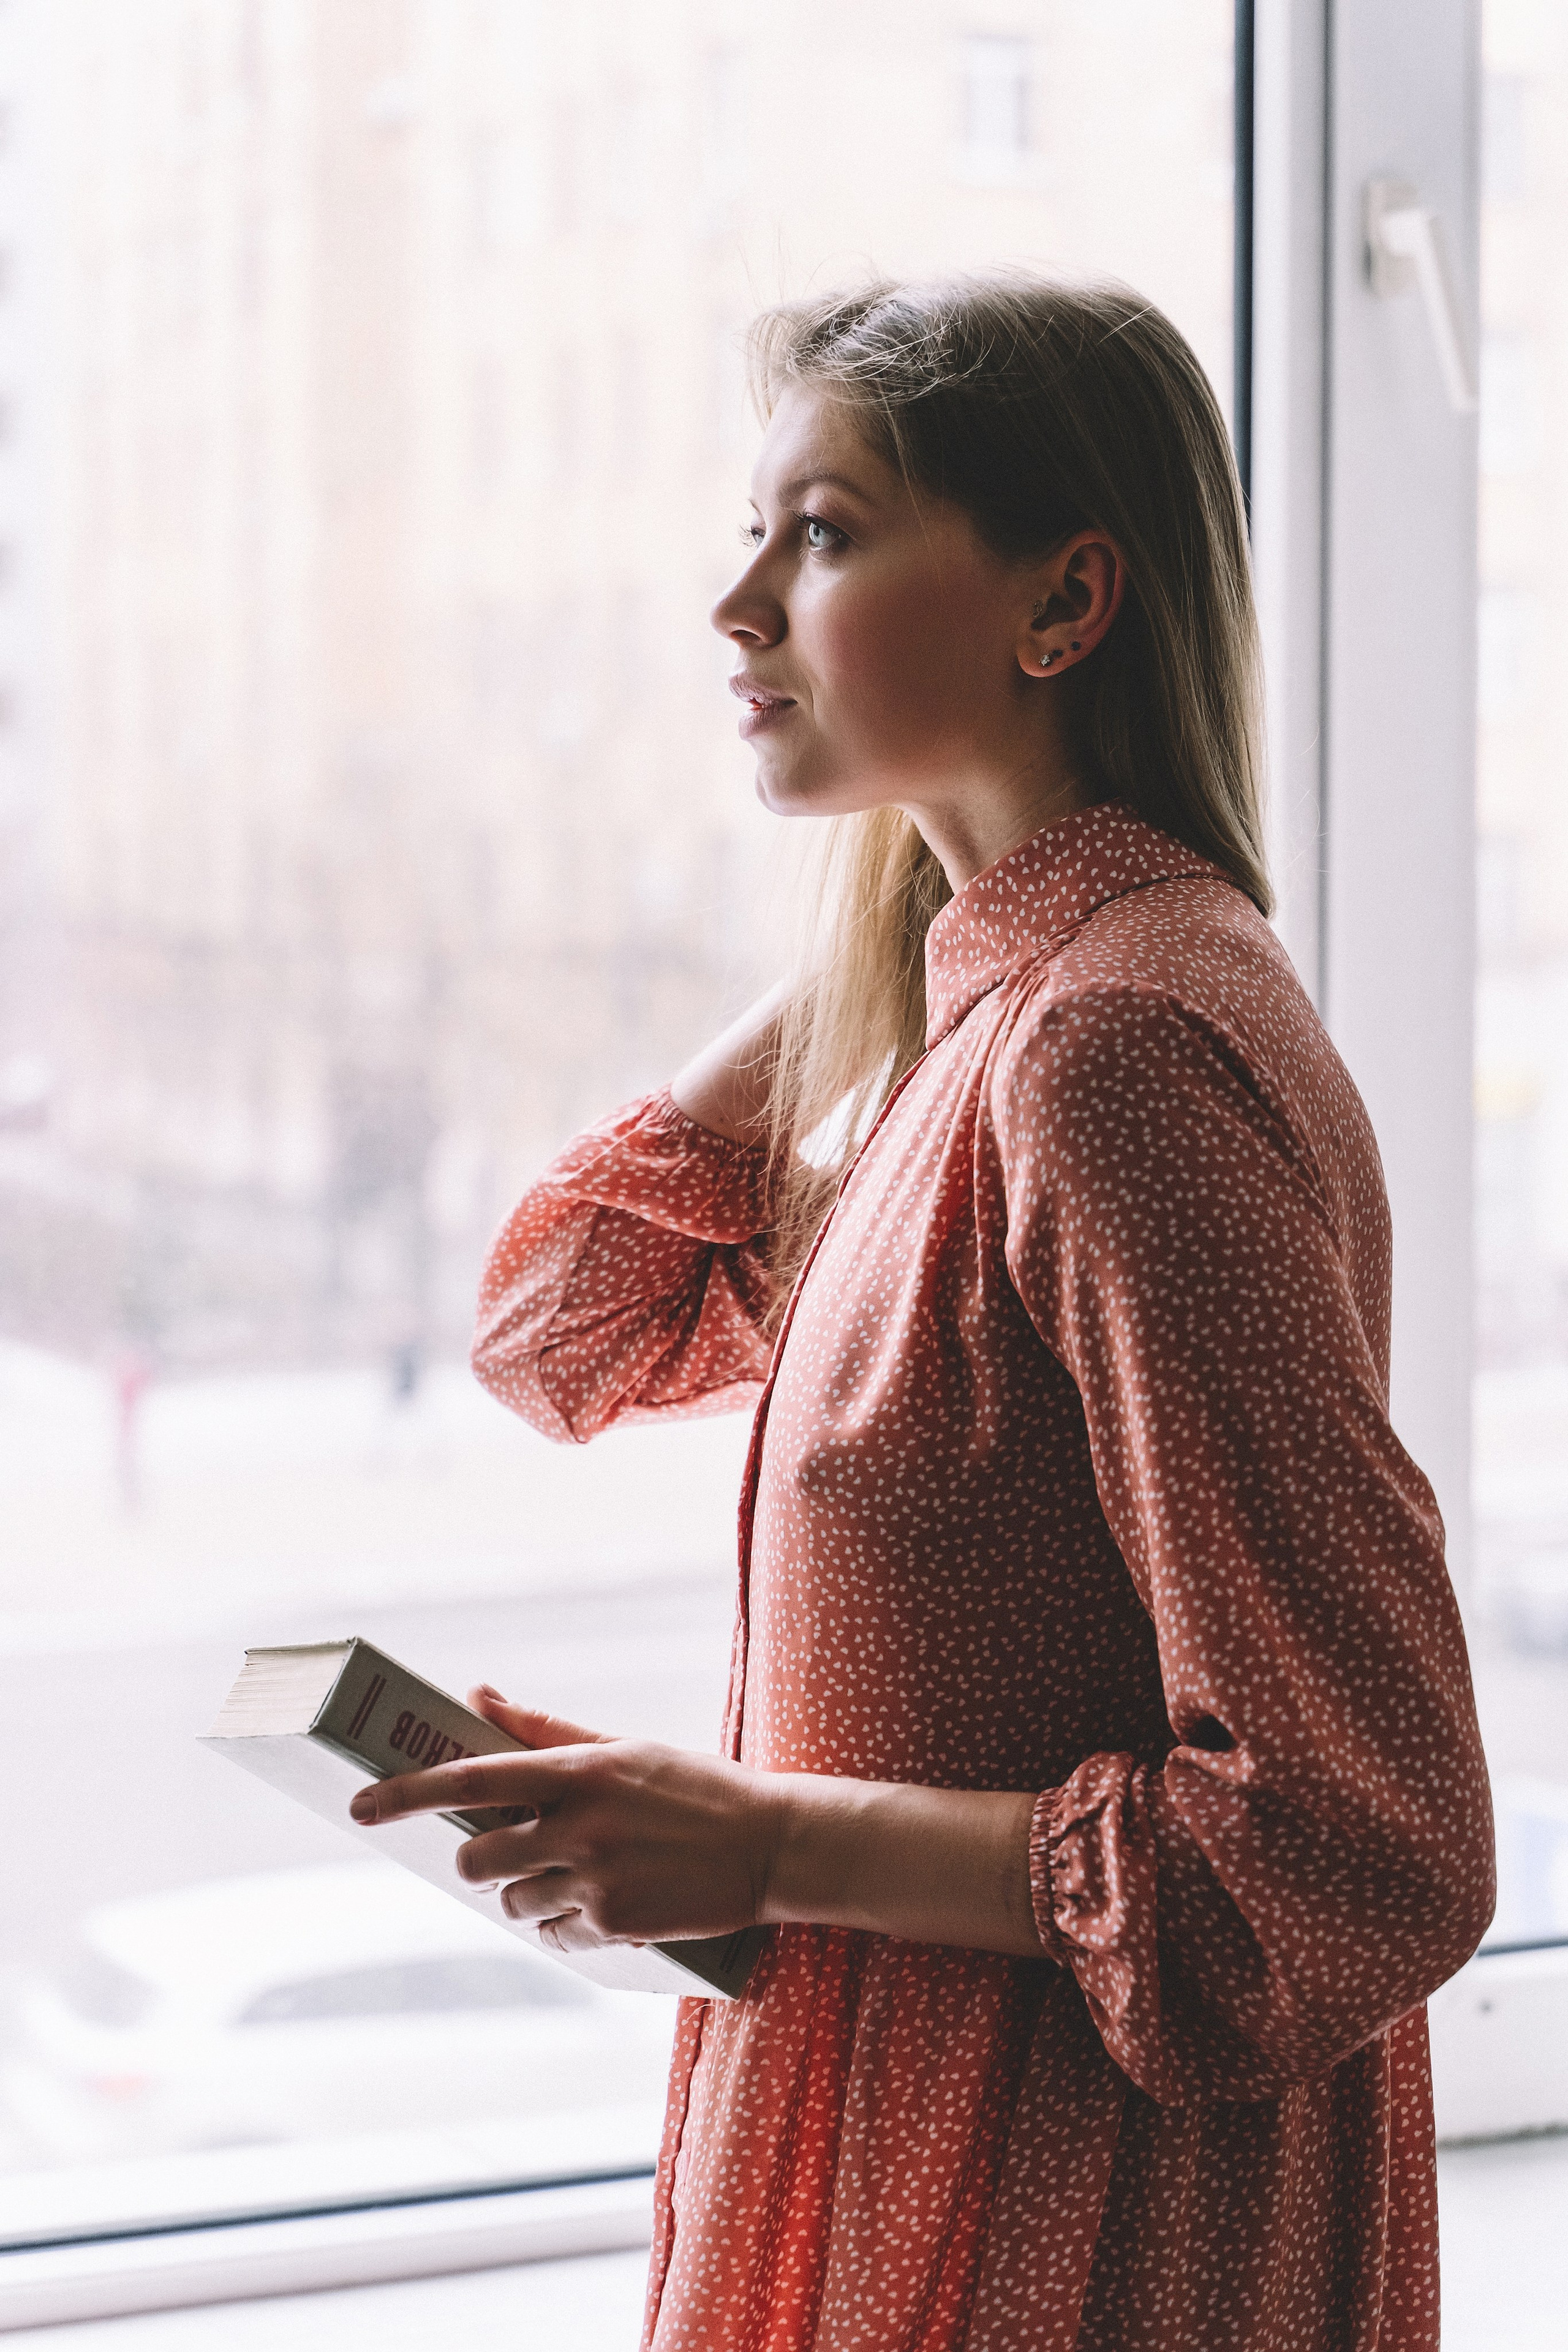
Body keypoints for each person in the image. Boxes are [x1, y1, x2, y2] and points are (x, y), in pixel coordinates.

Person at [352, 277, 1495, 2350]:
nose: (733, 605)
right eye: (756, 527)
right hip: (930, 2151)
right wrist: (921, 909)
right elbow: (560, 1329)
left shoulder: (1118, 1059)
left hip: (1059, 2218)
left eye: (825, 529)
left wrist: (759, 1835)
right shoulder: (1007, 1028)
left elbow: (1363, 1844)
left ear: (1065, 607)